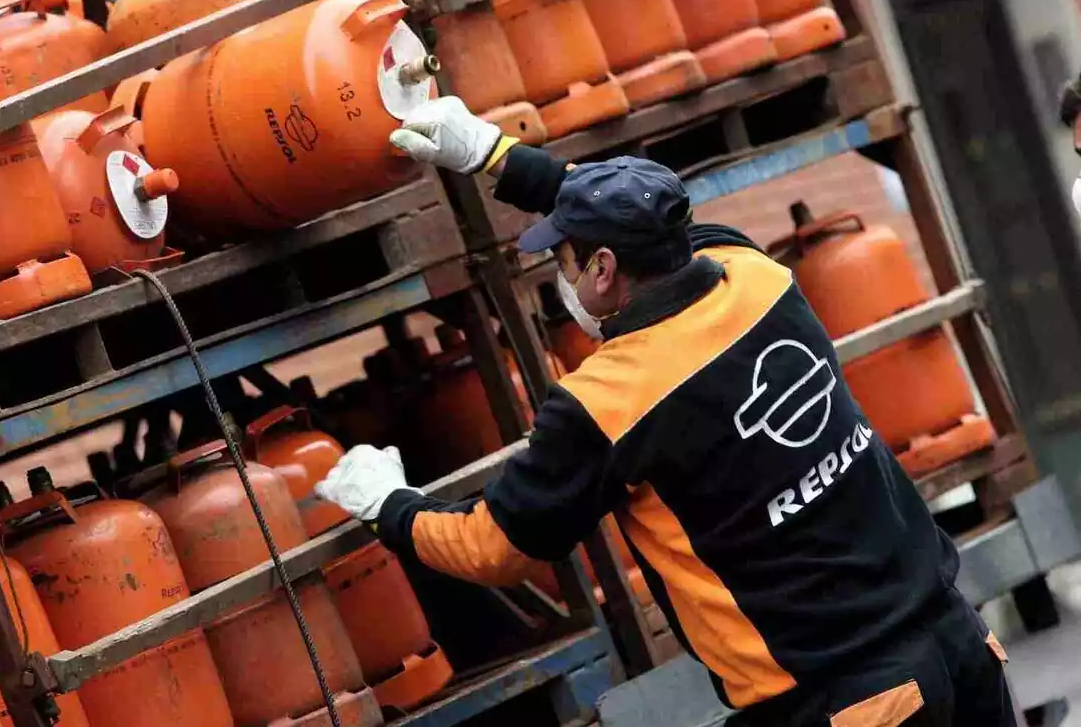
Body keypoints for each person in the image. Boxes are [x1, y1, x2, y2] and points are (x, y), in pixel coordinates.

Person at [315, 97, 1017, 726]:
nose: (559, 273)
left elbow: (496, 548)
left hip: (846, 702)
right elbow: (656, 224)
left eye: (562, 257)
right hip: (959, 645)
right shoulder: (759, 278)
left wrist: (390, 507)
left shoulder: (610, 399)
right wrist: (495, 156)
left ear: (602, 271)